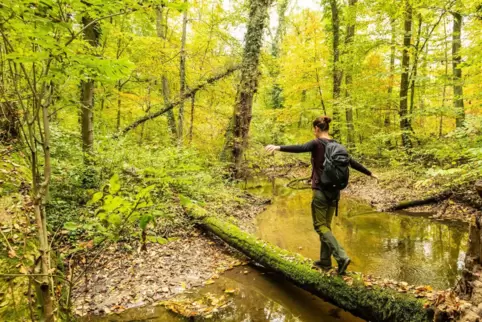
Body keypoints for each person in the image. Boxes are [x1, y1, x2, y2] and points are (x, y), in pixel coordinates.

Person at [265, 116, 377, 275]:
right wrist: (370, 173)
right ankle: (325, 262)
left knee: (319, 226)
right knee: (326, 226)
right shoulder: (338, 145)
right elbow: (352, 162)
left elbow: (300, 148)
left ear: (317, 129)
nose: (313, 132)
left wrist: (278, 147)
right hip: (334, 194)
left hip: (320, 191)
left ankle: (341, 256)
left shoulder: (316, 143)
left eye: (314, 129)